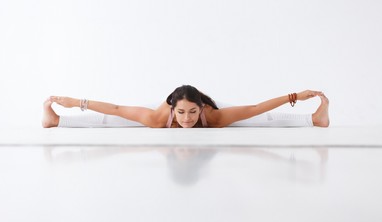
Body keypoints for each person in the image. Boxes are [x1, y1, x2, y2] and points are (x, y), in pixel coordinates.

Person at [42, 85, 329, 128]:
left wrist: (294, 96)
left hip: (216, 110)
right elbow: (116, 109)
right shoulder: (159, 116)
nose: (187, 119)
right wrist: (76, 103)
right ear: (172, 109)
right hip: (156, 115)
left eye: (192, 112)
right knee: (124, 122)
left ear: (201, 108)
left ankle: (314, 120)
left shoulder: (211, 116)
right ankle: (55, 122)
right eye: (181, 112)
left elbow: (255, 108)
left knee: (250, 121)